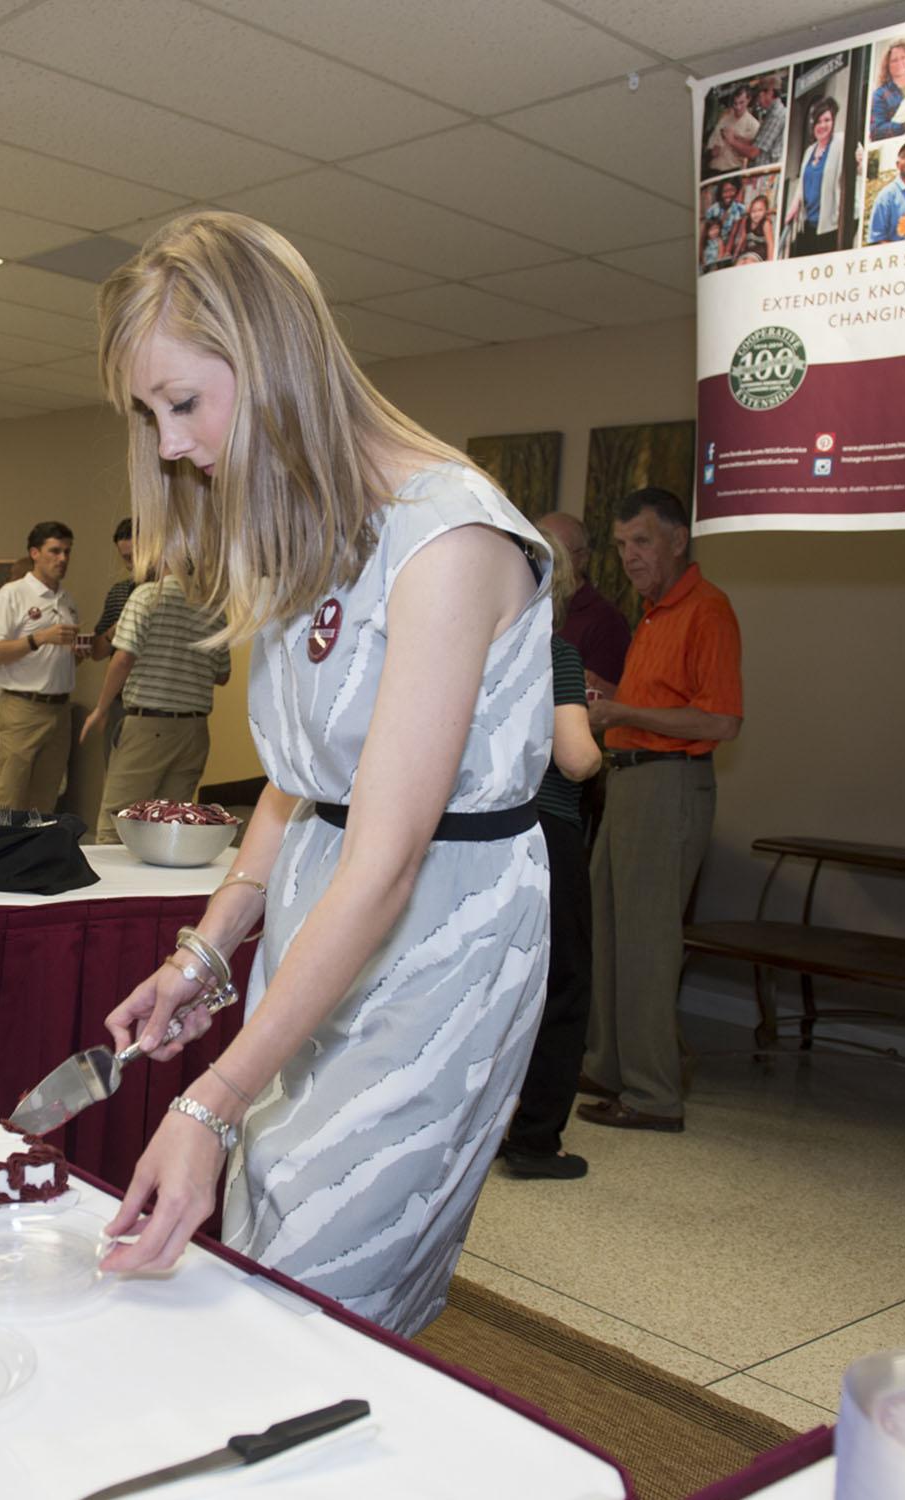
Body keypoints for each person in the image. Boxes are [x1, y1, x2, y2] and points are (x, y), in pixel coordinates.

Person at [93, 211, 554, 1336]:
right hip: (321, 918)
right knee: (260, 1238)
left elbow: (388, 860)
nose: (168, 446)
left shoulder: (447, 540)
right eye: (149, 414)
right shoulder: (311, 530)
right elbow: (298, 786)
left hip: (434, 946)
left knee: (317, 1282)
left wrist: (212, 1097)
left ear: (271, 360)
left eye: (184, 403)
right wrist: (208, 948)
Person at [577, 489, 742, 1135]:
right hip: (627, 782)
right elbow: (653, 701)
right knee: (608, 933)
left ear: (678, 539)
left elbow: (721, 719)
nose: (629, 558)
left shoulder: (708, 611)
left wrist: (623, 712)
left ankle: (652, 1095)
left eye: (641, 542)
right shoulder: (651, 615)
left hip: (669, 786)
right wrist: (607, 697)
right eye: (620, 546)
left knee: (645, 946)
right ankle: (607, 1065)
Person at [498, 537, 604, 1179]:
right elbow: (575, 757)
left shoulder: (473, 650)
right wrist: (598, 739)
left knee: (490, 983)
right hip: (547, 831)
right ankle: (536, 1140)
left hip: (478, 834)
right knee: (560, 985)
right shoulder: (555, 653)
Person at [80, 570, 231, 844]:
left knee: (118, 825)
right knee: (169, 829)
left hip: (149, 725)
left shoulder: (148, 595)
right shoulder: (214, 609)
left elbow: (124, 657)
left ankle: (118, 888)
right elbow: (223, 675)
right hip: (194, 730)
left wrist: (100, 709)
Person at [0, 521, 79, 813]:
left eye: (67, 552)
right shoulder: (13, 594)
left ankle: (33, 857)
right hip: (24, 708)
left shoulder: (67, 600)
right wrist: (39, 638)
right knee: (7, 797)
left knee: (45, 799)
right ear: (35, 553)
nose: (63, 559)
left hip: (60, 709)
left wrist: (76, 653)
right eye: (55, 551)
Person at [535, 512, 629, 696]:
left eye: (557, 552)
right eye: (538, 549)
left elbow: (600, 702)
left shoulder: (606, 621)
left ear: (583, 558)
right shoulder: (522, 607)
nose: (545, 560)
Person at [93, 517, 139, 749]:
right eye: (126, 559)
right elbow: (97, 652)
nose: (131, 564)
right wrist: (113, 633)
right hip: (120, 702)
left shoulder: (174, 592)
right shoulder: (119, 593)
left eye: (135, 555)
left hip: (161, 705)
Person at [783, 97, 846, 256]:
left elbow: (858, 165)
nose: (823, 125)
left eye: (827, 120)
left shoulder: (841, 142)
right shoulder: (809, 151)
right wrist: (793, 207)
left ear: (833, 121)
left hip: (830, 226)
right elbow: (802, 186)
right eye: (818, 121)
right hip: (808, 223)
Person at [705, 84, 759, 175]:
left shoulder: (754, 125)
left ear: (749, 100)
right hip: (714, 168)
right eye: (735, 103)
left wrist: (733, 140)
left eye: (741, 102)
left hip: (732, 171)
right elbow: (711, 146)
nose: (737, 107)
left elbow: (753, 154)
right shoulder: (724, 119)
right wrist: (712, 151)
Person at [750, 75, 789, 165]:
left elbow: (753, 152)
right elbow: (758, 141)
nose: (758, 98)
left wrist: (732, 141)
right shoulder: (771, 114)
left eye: (760, 93)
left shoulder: (776, 115)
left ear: (770, 92)